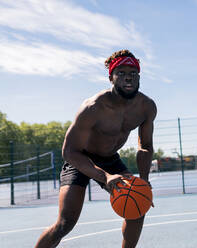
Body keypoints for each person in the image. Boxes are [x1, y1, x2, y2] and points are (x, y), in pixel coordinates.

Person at [35, 50, 157, 248]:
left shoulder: (147, 107)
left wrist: (144, 180)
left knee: (137, 209)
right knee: (65, 224)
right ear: (111, 77)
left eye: (133, 73)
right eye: (122, 72)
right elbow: (69, 152)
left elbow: (146, 146)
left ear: (139, 77)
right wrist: (105, 177)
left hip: (110, 158)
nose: (129, 77)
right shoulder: (92, 107)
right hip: (81, 159)